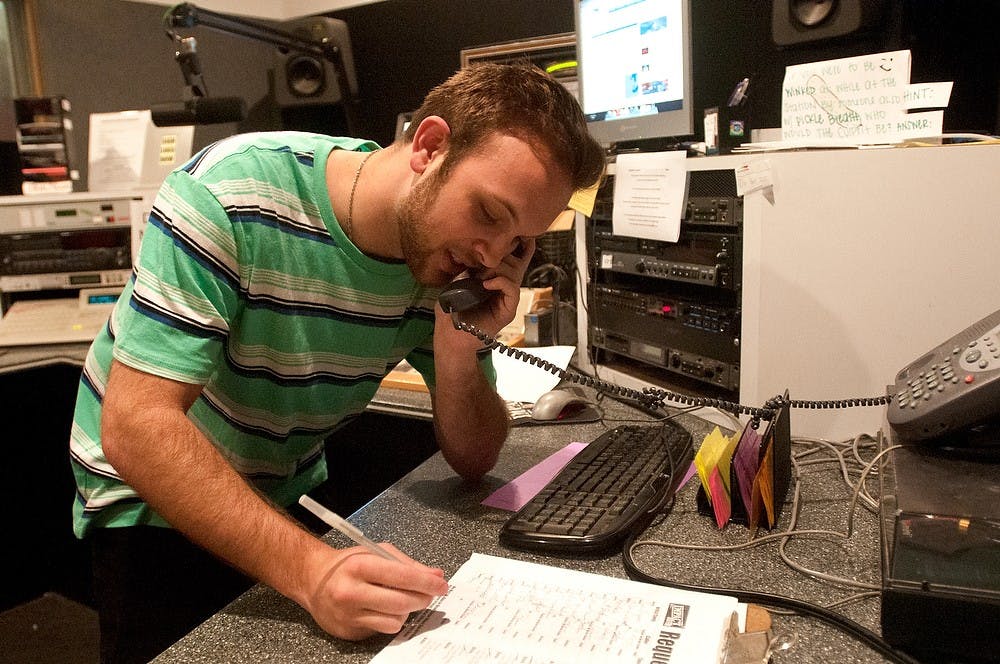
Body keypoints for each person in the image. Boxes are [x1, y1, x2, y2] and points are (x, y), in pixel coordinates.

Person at [68, 62, 606, 664]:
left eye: (517, 242)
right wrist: (311, 572)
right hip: (152, 498)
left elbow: (475, 457)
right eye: (488, 213)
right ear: (429, 147)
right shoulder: (231, 191)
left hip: (281, 486)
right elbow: (137, 426)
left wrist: (462, 347)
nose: (490, 254)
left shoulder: (446, 265)